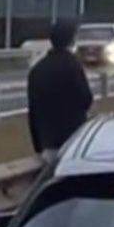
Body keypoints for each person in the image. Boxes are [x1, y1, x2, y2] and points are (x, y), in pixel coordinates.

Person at [27, 19, 94, 162]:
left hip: (48, 143)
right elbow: (86, 99)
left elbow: (33, 111)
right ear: (71, 40)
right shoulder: (73, 66)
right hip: (73, 141)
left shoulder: (37, 70)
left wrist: (38, 146)